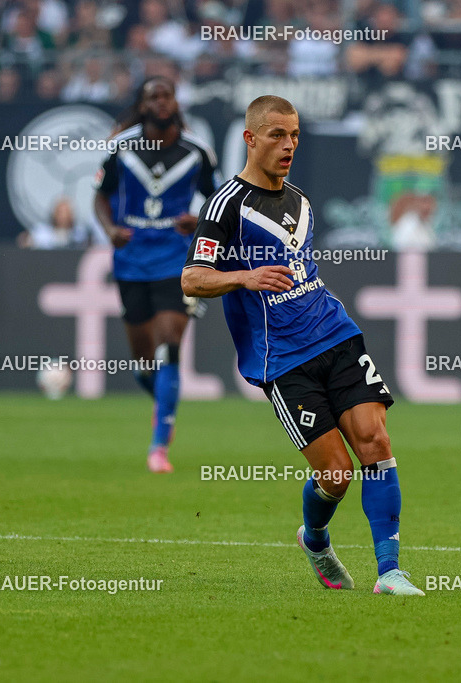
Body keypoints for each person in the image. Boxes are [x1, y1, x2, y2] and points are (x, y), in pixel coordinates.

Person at [181, 95, 423, 597]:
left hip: (334, 332)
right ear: (250, 139)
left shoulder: (301, 200)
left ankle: (390, 571)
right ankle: (315, 539)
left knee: (376, 442)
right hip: (283, 360)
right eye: (276, 135)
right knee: (337, 475)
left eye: (294, 135)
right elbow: (191, 278)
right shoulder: (227, 206)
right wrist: (245, 277)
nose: (288, 144)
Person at [93, 76, 220, 473]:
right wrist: (110, 230)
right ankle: (163, 403)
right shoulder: (121, 146)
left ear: (176, 102)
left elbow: (218, 202)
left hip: (175, 261)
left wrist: (197, 220)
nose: (161, 103)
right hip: (131, 260)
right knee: (144, 363)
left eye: (167, 96)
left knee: (169, 346)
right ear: (143, 105)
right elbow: (99, 195)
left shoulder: (198, 150)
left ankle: (159, 446)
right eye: (153, 97)